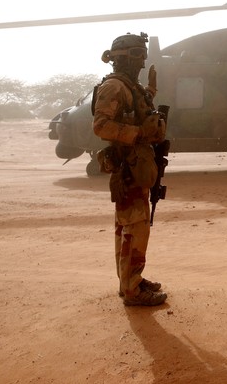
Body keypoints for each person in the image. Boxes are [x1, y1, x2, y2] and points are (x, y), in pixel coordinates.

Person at [92, 32, 168, 307]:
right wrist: (139, 134)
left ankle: (130, 280)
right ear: (123, 58)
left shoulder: (129, 86)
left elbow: (133, 108)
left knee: (130, 227)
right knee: (134, 228)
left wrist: (151, 92)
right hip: (128, 166)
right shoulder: (114, 87)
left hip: (137, 165)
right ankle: (132, 288)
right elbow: (101, 125)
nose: (142, 63)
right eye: (138, 56)